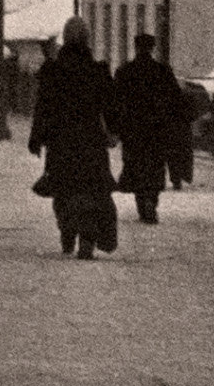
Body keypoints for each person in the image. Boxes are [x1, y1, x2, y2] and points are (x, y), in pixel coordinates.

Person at [28, 14, 121, 258]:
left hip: (62, 143)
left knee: (63, 188)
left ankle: (68, 231)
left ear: (65, 39)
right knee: (92, 191)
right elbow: (110, 106)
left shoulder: (53, 71)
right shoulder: (96, 71)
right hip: (90, 142)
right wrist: (113, 131)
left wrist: (37, 138)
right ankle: (88, 237)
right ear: (87, 40)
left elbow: (43, 107)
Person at [110, 30, 191, 224]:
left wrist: (116, 127)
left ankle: (142, 201)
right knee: (155, 167)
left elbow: (114, 101)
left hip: (133, 131)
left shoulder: (125, 72)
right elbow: (176, 100)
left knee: (136, 166)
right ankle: (151, 202)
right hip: (157, 130)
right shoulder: (162, 71)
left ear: (136, 48)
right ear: (152, 48)